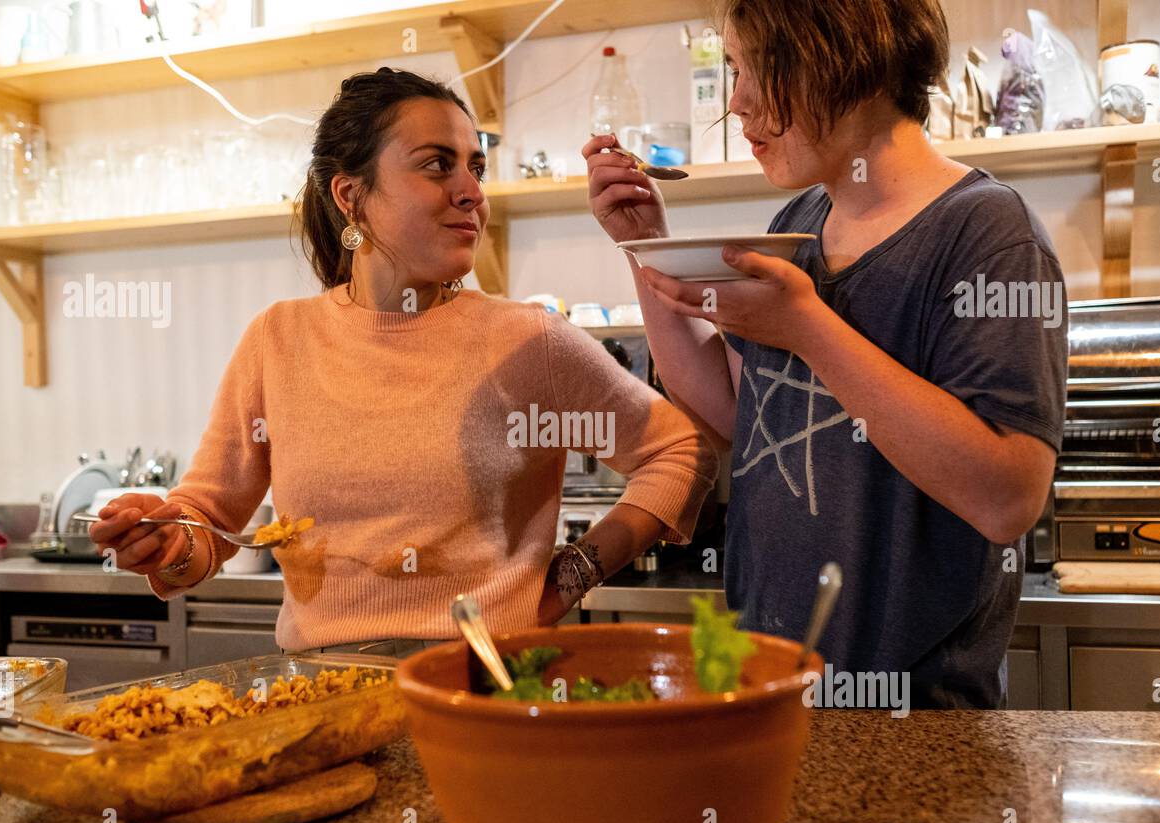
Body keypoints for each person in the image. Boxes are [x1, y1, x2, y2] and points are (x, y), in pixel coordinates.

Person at [90, 67, 716, 651]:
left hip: (481, 688)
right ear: (351, 196)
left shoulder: (529, 339)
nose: (471, 192)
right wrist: (165, 542)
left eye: (475, 167)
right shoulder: (276, 339)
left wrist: (569, 577)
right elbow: (208, 524)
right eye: (438, 166)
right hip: (320, 693)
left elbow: (679, 451)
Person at [583, 0, 1067, 707]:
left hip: (916, 717)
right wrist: (641, 242)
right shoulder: (800, 224)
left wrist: (808, 325)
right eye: (732, 73)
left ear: (844, 53)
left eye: (754, 70)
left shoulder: (989, 233)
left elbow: (1008, 497)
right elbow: (735, 411)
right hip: (770, 686)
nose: (737, 106)